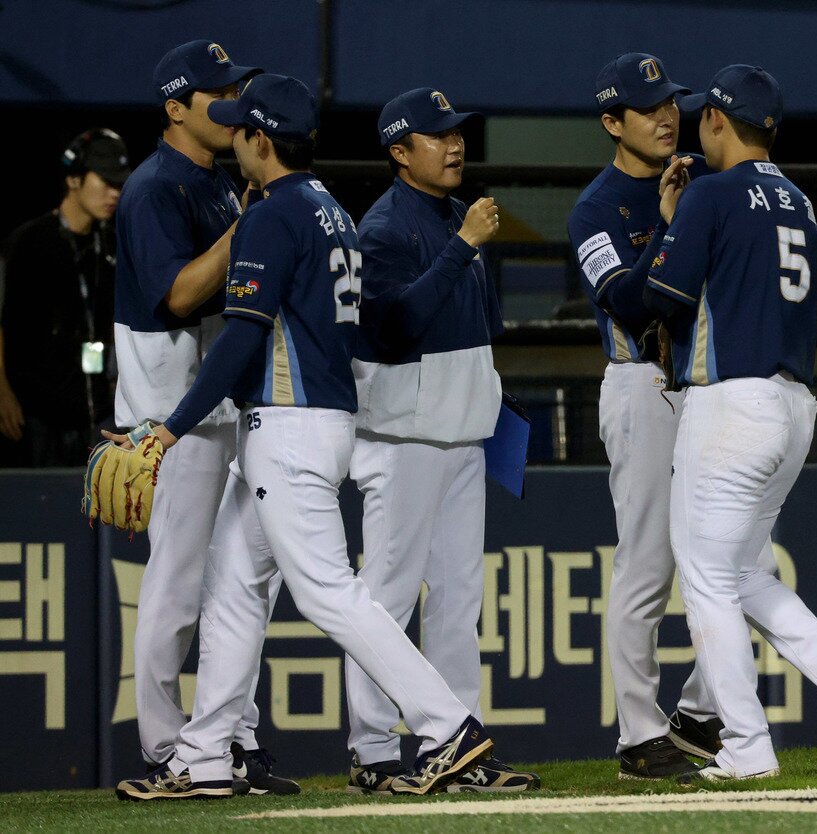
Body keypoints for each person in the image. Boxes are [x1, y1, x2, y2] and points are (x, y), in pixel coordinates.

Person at [113, 74, 492, 800]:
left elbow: (238, 342)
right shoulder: (331, 211)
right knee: (233, 586)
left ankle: (448, 727)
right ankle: (205, 757)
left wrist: (169, 429)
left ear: (259, 139)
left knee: (330, 595)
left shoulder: (271, 217)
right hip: (318, 422)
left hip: (288, 429)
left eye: (239, 130)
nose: (233, 140)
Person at [644, 64, 817, 783]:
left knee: (708, 582)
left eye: (703, 114)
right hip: (794, 409)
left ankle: (747, 746)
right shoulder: (798, 199)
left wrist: (669, 226)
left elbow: (662, 292)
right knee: (741, 572)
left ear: (718, 121)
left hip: (731, 406)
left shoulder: (712, 193)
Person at [113, 39, 295, 793]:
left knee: (239, 586)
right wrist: (244, 229)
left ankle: (227, 743)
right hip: (169, 414)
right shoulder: (155, 187)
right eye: (214, 96)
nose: (230, 106)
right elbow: (181, 296)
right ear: (174, 108)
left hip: (221, 402)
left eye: (234, 92)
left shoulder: (218, 182)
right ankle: (164, 748)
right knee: (178, 584)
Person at [343, 86, 537, 794]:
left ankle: (456, 745)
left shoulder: (462, 216)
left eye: (457, 131)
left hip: (462, 435)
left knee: (460, 598)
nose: (454, 143)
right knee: (385, 596)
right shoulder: (385, 229)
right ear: (400, 151)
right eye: (436, 135)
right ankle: (371, 749)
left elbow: (482, 327)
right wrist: (460, 249)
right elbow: (394, 328)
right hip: (403, 439)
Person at [566, 52, 731, 780]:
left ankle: (696, 714)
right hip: (643, 385)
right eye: (648, 108)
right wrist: (668, 224)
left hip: (707, 387)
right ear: (613, 122)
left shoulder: (705, 180)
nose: (668, 116)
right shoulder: (596, 207)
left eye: (672, 103)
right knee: (646, 563)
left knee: (731, 555)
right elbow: (627, 303)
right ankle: (639, 732)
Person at [0, 129, 129, 466]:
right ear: (74, 179)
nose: (114, 193)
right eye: (105, 182)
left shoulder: (113, 245)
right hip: (35, 412)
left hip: (95, 411)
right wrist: (3, 394)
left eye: (119, 185)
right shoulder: (29, 242)